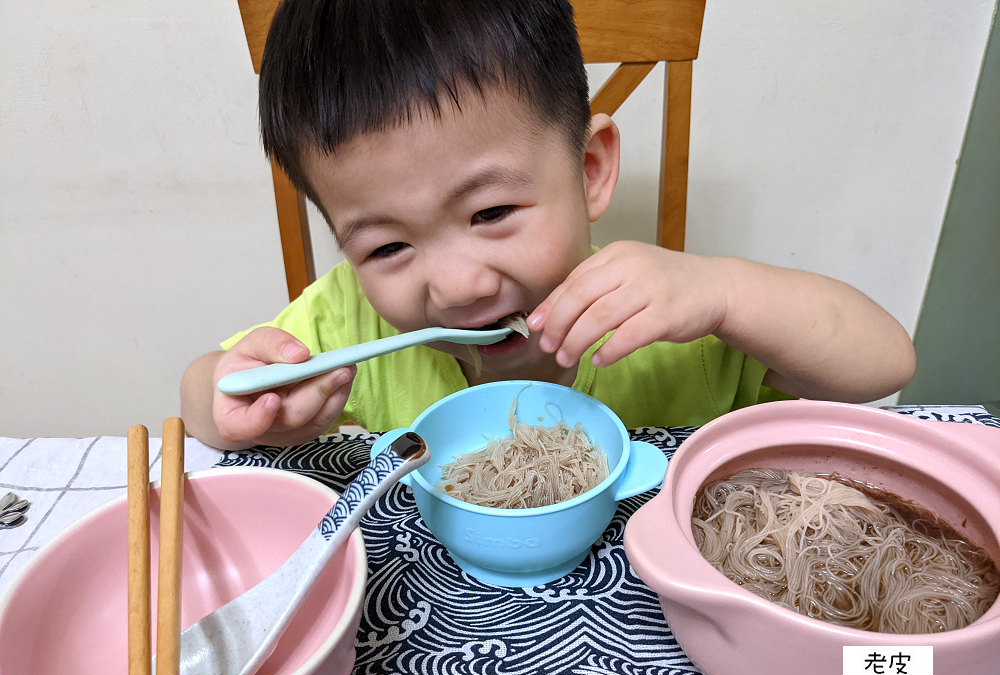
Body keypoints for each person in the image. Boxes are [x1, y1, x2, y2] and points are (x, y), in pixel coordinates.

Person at [181, 0, 915, 450]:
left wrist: (722, 291)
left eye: (491, 212)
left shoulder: (667, 316)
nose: (458, 283)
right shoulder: (351, 323)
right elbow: (198, 402)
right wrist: (244, 401)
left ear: (590, 169)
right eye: (388, 246)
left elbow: (886, 364)